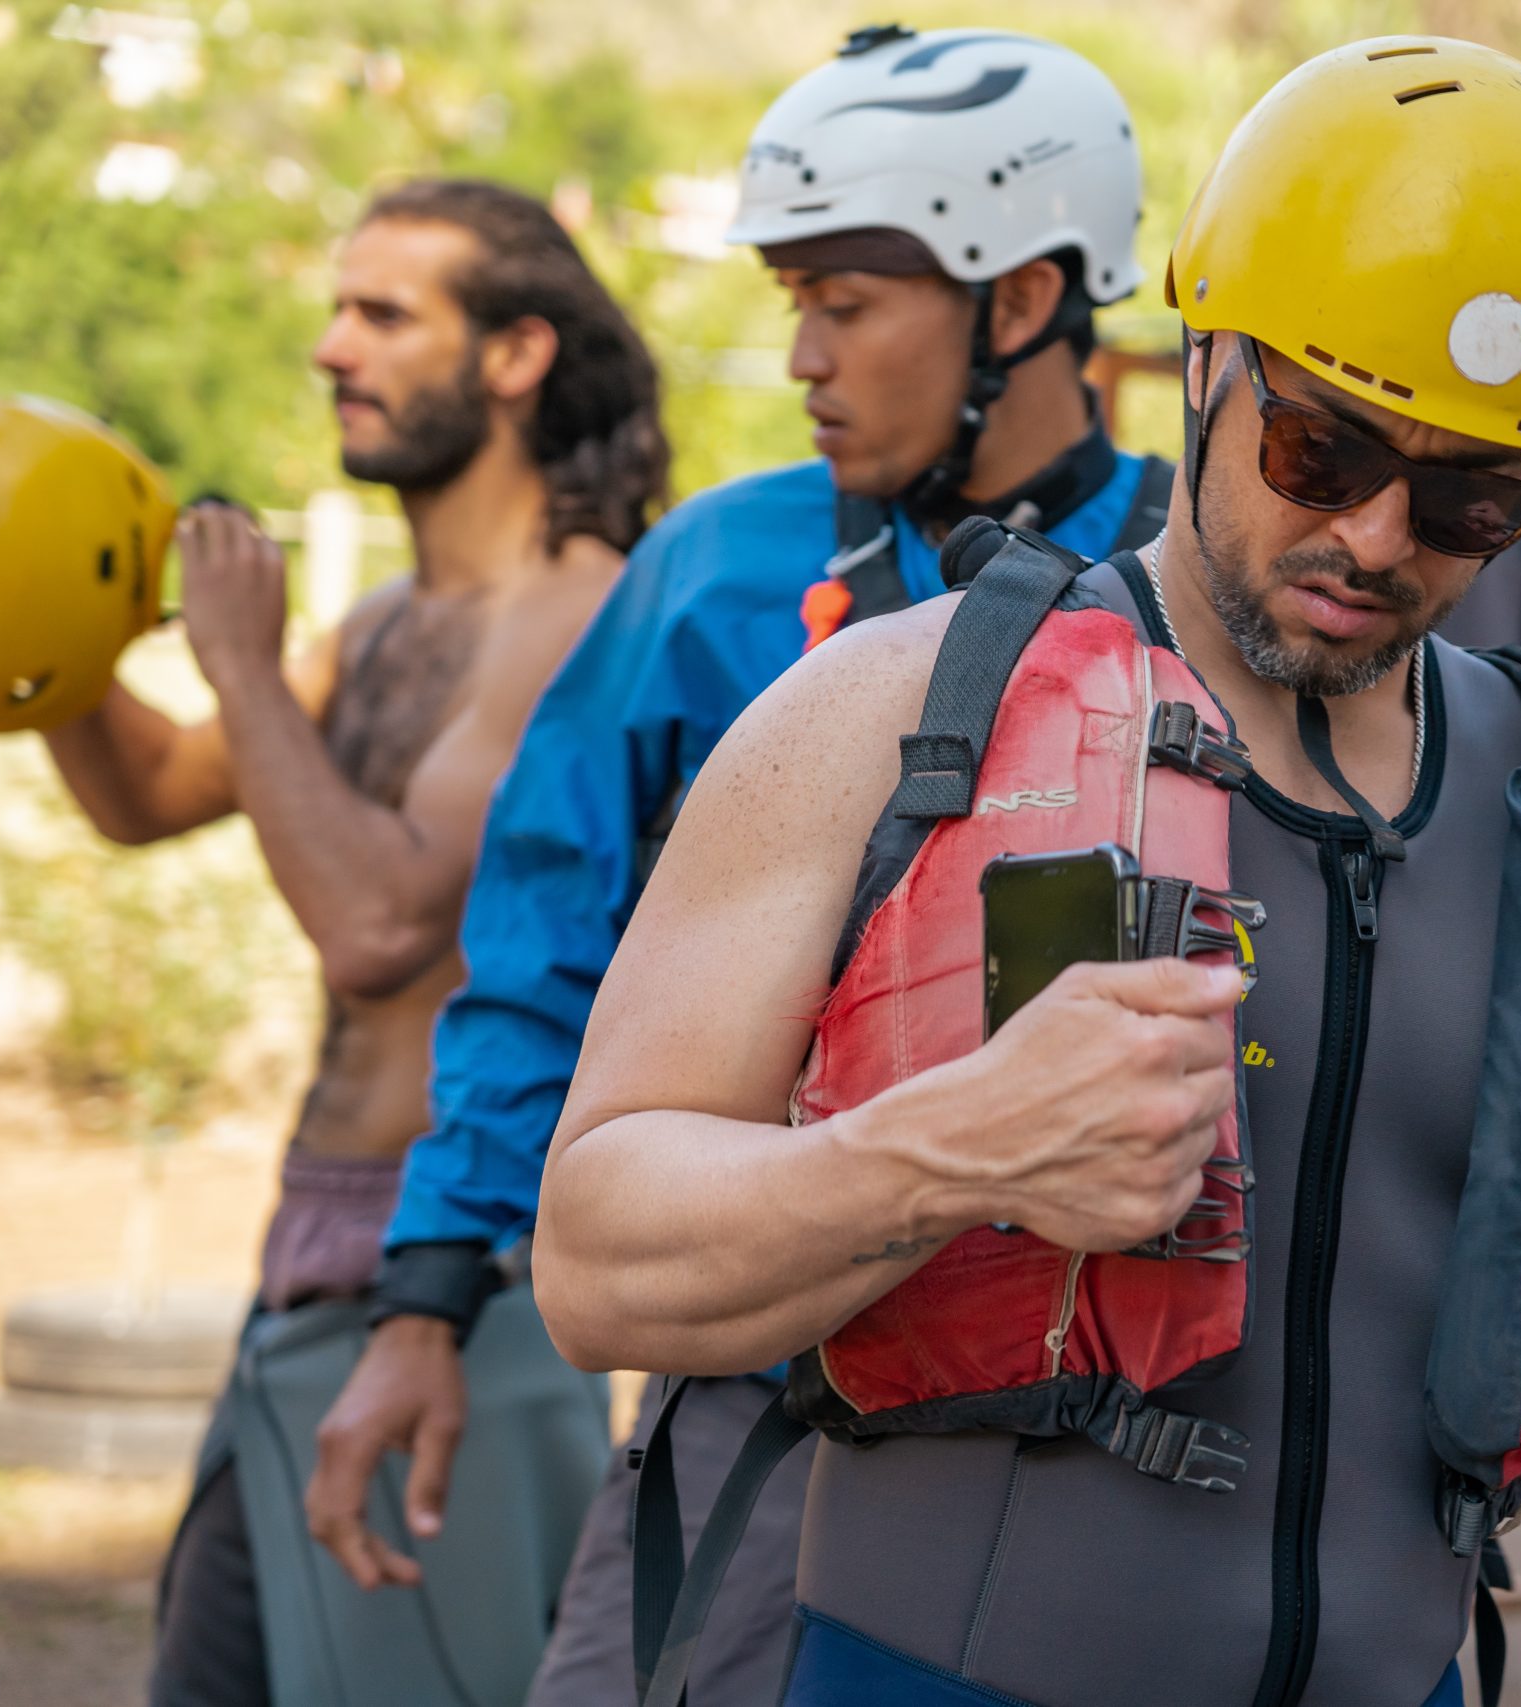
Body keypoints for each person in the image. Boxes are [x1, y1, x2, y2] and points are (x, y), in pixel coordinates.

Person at [537, 35, 1521, 1707]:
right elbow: (593, 1261)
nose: (1376, 541)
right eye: (1324, 451)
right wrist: (944, 1146)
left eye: (1476, 497)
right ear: (1209, 361)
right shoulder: (893, 715)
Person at [304, 25, 1173, 1705]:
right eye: (792, 303)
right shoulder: (715, 573)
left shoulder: (1194, 580)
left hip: (1121, 1407)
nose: (801, 358)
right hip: (762, 1383)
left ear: (1020, 301)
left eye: (845, 305)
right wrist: (422, 1306)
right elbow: (549, 942)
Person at [19, 178, 666, 1705]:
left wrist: (241, 661)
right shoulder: (378, 625)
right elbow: (155, 792)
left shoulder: (575, 613)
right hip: (300, 1263)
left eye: (382, 314)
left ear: (514, 356)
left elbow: (379, 920)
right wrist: (37, 629)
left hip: (464, 1283)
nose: (328, 348)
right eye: (335, 310)